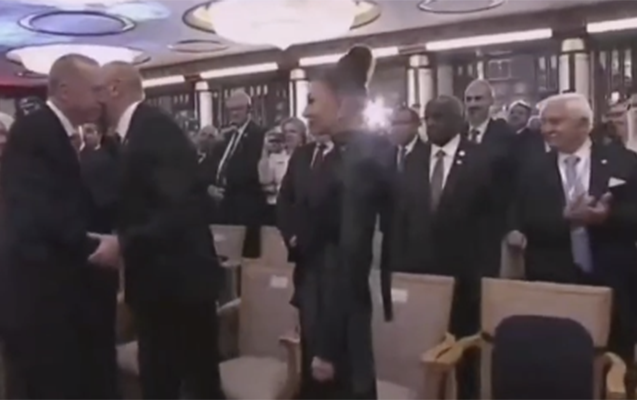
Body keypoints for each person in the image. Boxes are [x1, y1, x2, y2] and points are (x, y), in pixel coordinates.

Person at [91, 61, 225, 400]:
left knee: (190, 384)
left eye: (96, 90)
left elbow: (180, 209)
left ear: (114, 88)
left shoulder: (154, 128)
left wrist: (124, 243)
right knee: (164, 380)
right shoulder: (132, 134)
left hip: (181, 287)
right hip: (161, 286)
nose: (93, 101)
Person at [289, 45, 394, 400]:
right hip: (321, 303)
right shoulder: (342, 154)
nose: (305, 112)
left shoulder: (361, 161)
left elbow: (351, 259)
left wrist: (327, 346)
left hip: (339, 320)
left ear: (345, 105)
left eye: (312, 101)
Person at [0, 54, 104, 400]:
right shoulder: (35, 131)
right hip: (36, 293)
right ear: (65, 91)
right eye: (95, 89)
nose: (102, 97)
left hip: (53, 289)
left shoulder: (58, 132)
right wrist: (95, 246)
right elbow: (40, 212)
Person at [513, 93, 637, 361]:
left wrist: (607, 216)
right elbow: (522, 217)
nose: (547, 129)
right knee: (557, 360)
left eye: (555, 122)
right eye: (544, 122)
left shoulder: (625, 162)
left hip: (613, 279)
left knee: (615, 360)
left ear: (584, 124)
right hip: (553, 279)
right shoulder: (531, 168)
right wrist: (563, 217)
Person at [209, 91, 267, 257]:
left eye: (238, 109)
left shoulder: (260, 135)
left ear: (249, 110)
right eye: (231, 110)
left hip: (245, 205)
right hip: (222, 207)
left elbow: (251, 169)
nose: (234, 114)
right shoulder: (224, 137)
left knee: (244, 255)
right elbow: (212, 166)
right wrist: (210, 186)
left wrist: (228, 186)